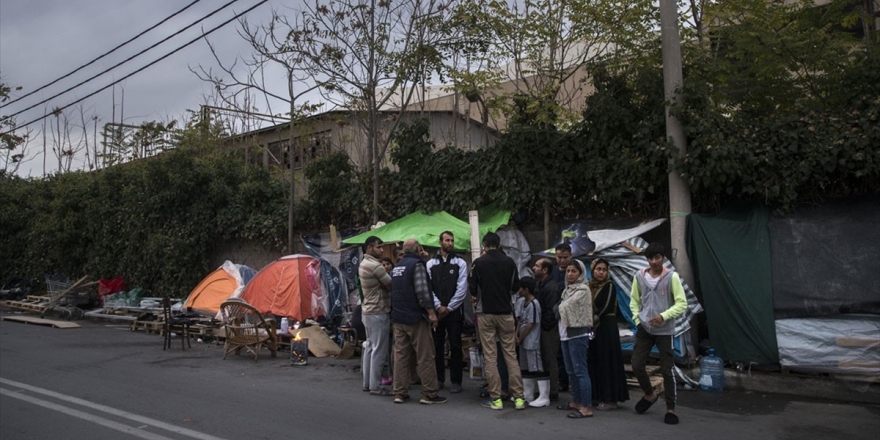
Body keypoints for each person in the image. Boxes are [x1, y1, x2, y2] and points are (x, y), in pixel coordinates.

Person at [630, 242, 687, 425]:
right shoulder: (639, 276)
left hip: (664, 330)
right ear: (647, 259)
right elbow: (634, 300)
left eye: (657, 257)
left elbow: (681, 303)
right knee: (637, 365)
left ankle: (670, 409)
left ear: (663, 258)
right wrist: (638, 320)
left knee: (667, 370)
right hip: (645, 328)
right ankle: (649, 394)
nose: (654, 261)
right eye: (650, 258)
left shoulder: (672, 277)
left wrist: (664, 316)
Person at [470, 232, 525, 410]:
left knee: (490, 357)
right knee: (511, 356)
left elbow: (472, 288)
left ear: (485, 245)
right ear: (499, 244)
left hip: (485, 313)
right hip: (506, 312)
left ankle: (496, 398)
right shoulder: (509, 262)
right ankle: (518, 398)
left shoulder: (478, 263)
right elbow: (515, 286)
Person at [390, 238, 447, 405]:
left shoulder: (398, 266)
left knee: (401, 357)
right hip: (416, 317)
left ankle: (399, 392)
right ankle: (429, 393)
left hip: (399, 317)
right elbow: (422, 291)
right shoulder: (417, 265)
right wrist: (431, 313)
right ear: (418, 249)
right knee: (425, 356)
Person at [426, 231, 468, 394]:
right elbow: (429, 288)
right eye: (447, 240)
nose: (450, 243)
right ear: (440, 242)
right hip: (437, 313)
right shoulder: (430, 264)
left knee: (456, 346)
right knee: (437, 346)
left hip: (454, 313)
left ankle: (456, 381)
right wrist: (437, 306)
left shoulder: (460, 263)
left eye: (452, 240)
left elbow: (462, 288)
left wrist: (449, 307)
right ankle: (439, 379)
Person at [586, 258, 629, 410]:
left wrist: (592, 319)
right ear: (593, 270)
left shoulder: (609, 285)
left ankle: (611, 399)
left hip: (606, 327)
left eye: (604, 270)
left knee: (607, 361)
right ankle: (597, 395)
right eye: (598, 269)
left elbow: (605, 307)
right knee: (595, 360)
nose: (601, 272)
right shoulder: (589, 286)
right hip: (593, 328)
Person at [556, 259, 594, 419]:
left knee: (580, 370)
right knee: (571, 370)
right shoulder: (567, 290)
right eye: (568, 271)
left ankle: (586, 407)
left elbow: (563, 307)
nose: (570, 274)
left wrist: (558, 307)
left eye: (574, 271)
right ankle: (577, 401)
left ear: (581, 273)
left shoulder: (583, 290)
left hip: (577, 334)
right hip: (565, 333)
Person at [358, 236, 393, 396]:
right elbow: (390, 284)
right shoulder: (375, 266)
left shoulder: (363, 264)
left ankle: (368, 383)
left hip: (367, 311)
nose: (381, 250)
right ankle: (376, 386)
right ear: (369, 248)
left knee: (371, 347)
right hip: (378, 311)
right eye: (379, 247)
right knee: (379, 349)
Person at [516, 277, 550, 407]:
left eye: (520, 288)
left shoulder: (534, 304)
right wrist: (516, 335)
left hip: (532, 341)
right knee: (525, 368)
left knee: (537, 367)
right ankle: (528, 394)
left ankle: (544, 396)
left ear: (526, 289)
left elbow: (530, 324)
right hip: (523, 341)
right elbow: (520, 320)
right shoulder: (522, 303)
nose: (518, 291)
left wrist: (521, 336)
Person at [532, 257, 560, 401]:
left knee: (550, 359)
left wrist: (544, 326)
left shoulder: (551, 287)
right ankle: (545, 390)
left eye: (537, 266)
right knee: (543, 359)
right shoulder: (540, 284)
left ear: (545, 270)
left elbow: (551, 310)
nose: (534, 268)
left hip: (548, 329)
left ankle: (553, 391)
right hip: (541, 327)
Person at [552, 243, 573, 391]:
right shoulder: (552, 271)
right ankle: (561, 382)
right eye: (559, 257)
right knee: (558, 352)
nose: (562, 261)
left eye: (565, 257)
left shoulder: (573, 272)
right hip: (554, 316)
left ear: (570, 257)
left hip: (569, 316)